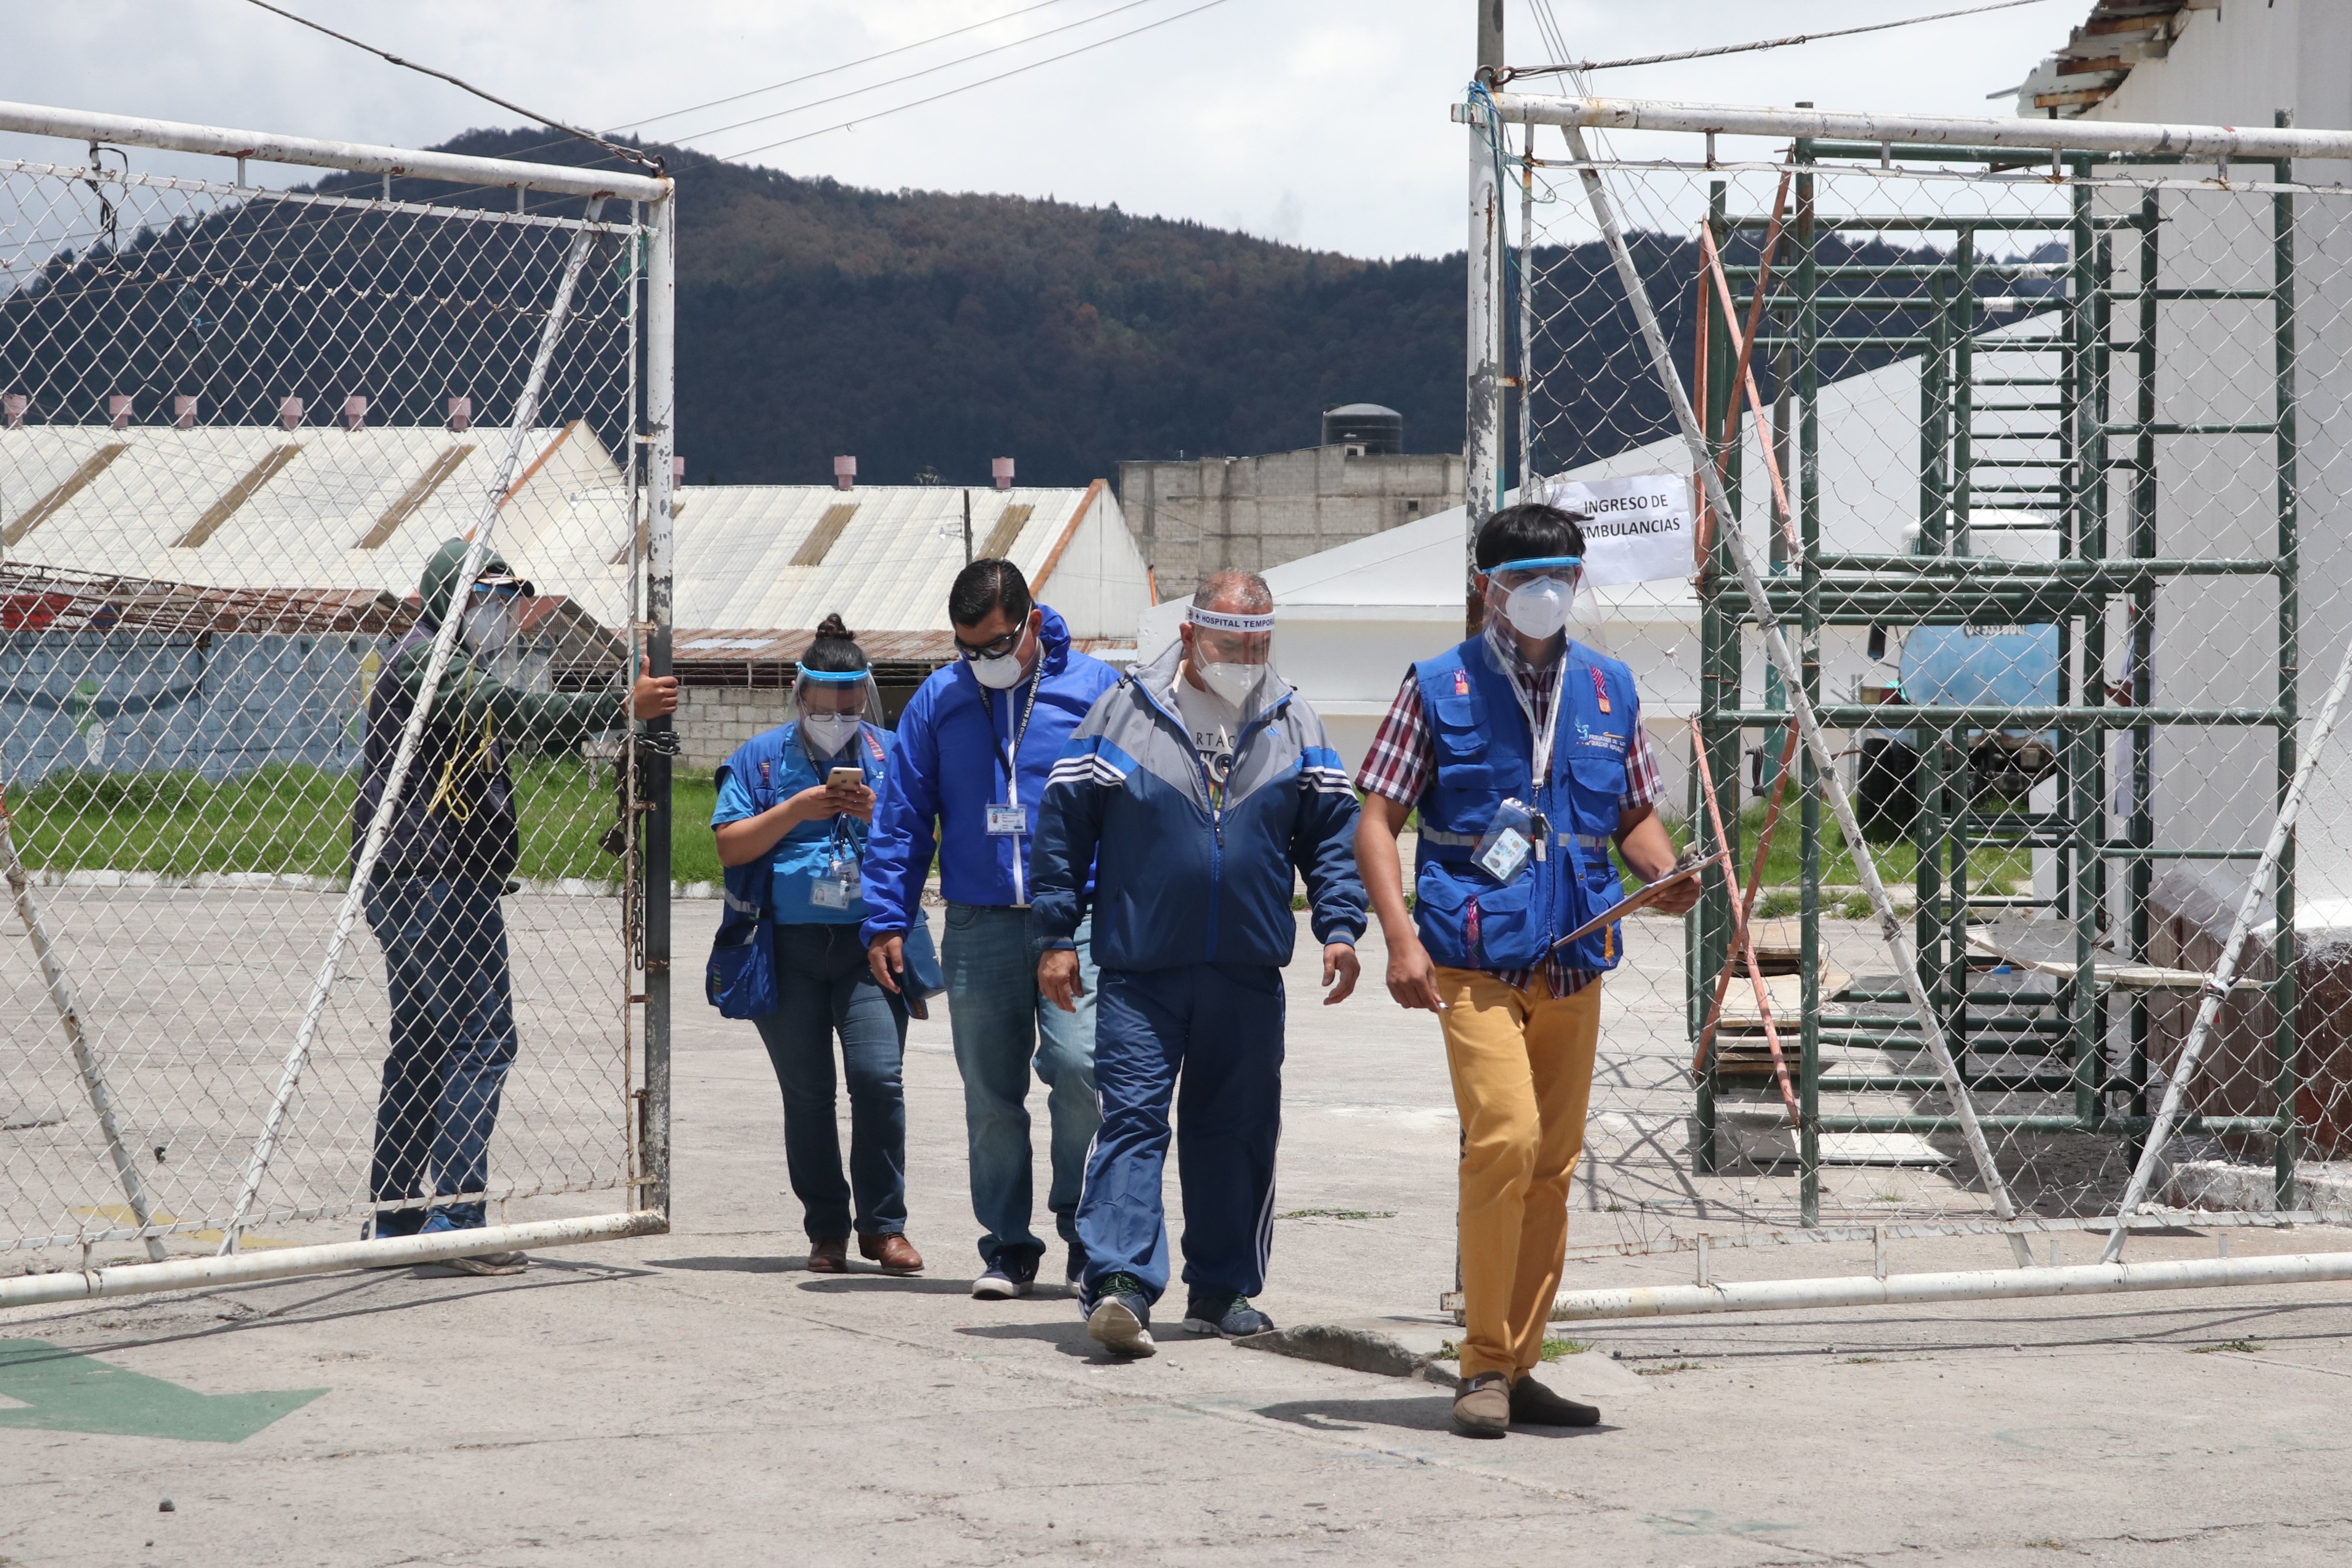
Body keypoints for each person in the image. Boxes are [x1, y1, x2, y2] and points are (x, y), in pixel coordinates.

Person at [1353, 501, 1699, 1438]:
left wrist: (1664, 874)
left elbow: (1631, 815)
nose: (1547, 595)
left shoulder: (1608, 690)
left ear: (1578, 581)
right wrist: (1398, 937)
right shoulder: (1437, 686)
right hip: (1470, 957)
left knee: (1552, 1166)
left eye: (1562, 577)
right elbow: (1376, 818)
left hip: (1574, 957)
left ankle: (1519, 1362)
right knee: (1504, 1139)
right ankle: (1478, 1365)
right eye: (1526, 579)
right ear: (1488, 588)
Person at [1032, 569, 1365, 1357]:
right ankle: (1117, 1285)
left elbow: (1330, 835)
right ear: (1188, 637)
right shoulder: (1123, 713)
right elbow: (1061, 829)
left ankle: (1222, 1290)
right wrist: (1052, 936)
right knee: (1134, 1121)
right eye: (1229, 644)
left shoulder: (1295, 720)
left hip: (1245, 973)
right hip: (1143, 971)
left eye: (1259, 643)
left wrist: (1340, 927)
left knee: (1237, 1130)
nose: (1245, 658)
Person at [356, 537, 678, 1274]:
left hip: (432, 875)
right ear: (451, 596)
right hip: (431, 877)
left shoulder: (453, 662)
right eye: (487, 598)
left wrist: (615, 718)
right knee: (481, 1038)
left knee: (427, 1043)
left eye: (508, 600)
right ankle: (456, 1218)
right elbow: (512, 708)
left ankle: (394, 1216)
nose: (503, 614)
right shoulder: (425, 659)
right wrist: (613, 704)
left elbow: (525, 728)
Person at [861, 560, 1121, 1299]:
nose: (984, 661)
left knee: (1077, 1071)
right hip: (977, 922)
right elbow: (903, 818)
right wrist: (886, 920)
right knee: (990, 1094)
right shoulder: (939, 700)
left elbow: (1130, 807)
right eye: (969, 648)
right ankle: (1008, 1245)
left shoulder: (1096, 691)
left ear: (1032, 624)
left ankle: (1082, 1233)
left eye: (998, 644)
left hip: (1077, 917)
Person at [712, 615, 922, 1276]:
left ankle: (884, 1227)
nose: (839, 716)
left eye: (851, 703)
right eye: (826, 703)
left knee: (878, 1079)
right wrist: (796, 811)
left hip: (870, 947)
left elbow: (927, 845)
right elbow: (728, 845)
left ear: (865, 697)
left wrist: (878, 817)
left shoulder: (893, 754)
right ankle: (827, 1230)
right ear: (800, 694)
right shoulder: (761, 758)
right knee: (807, 1093)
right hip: (786, 949)